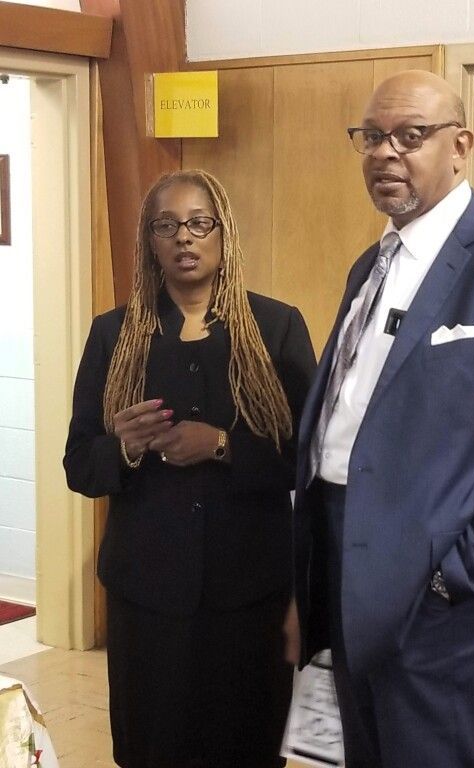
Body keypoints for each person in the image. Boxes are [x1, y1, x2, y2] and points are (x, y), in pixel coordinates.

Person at [291, 70, 474, 768]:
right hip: (343, 569)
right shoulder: (371, 265)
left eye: (410, 136)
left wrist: (462, 574)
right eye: (371, 137)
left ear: (461, 145)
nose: (386, 153)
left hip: (440, 597)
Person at [63, 169, 316, 768]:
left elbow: (309, 455)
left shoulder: (276, 327)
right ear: (149, 242)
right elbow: (79, 463)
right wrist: (123, 447)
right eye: (166, 225)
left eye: (200, 222)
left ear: (223, 233)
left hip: (249, 592)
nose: (184, 237)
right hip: (147, 594)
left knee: (246, 745)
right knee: (155, 747)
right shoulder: (114, 334)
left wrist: (224, 445)